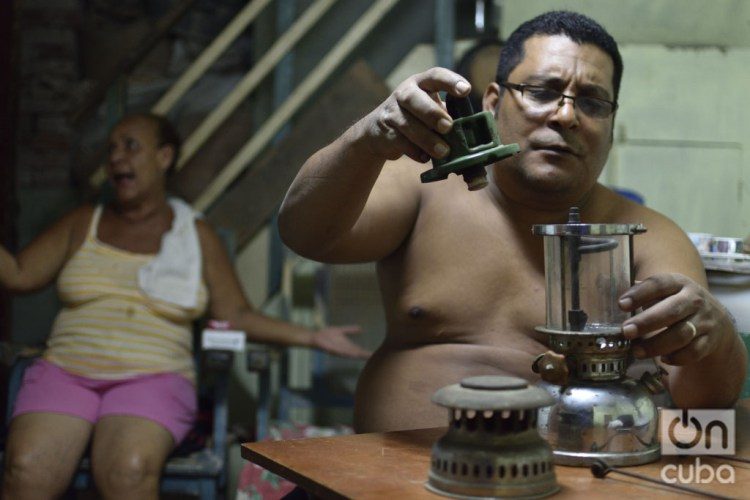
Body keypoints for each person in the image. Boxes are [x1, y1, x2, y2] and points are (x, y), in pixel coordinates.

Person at [278, 10, 747, 434]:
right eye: (542, 92)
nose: (565, 115)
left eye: (592, 102)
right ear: (492, 102)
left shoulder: (646, 237)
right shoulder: (421, 190)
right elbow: (305, 234)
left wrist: (718, 334)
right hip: (389, 478)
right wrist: (365, 139)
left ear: (610, 121)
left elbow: (701, 401)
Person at [1, 112, 370, 499]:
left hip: (153, 376)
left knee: (128, 471)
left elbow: (235, 315)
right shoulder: (83, 222)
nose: (116, 158)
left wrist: (313, 337)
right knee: (25, 469)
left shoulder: (194, 234)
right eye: (111, 149)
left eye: (130, 146)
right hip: (67, 371)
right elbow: (20, 274)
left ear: (164, 158)